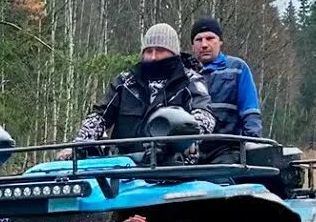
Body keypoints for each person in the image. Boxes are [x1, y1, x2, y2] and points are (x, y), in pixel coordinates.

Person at [59, 23, 213, 160]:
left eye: (160, 50)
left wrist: (189, 137)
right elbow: (100, 116)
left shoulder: (190, 81)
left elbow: (204, 115)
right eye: (148, 51)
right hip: (123, 167)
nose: (153, 57)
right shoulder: (126, 82)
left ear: (173, 53)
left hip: (171, 167)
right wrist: (78, 144)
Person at [189, 17, 262, 139]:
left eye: (210, 38)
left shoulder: (237, 69)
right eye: (198, 40)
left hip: (229, 146)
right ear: (192, 45)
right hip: (192, 148)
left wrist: (254, 142)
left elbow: (250, 110)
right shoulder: (185, 74)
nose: (204, 44)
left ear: (220, 41)